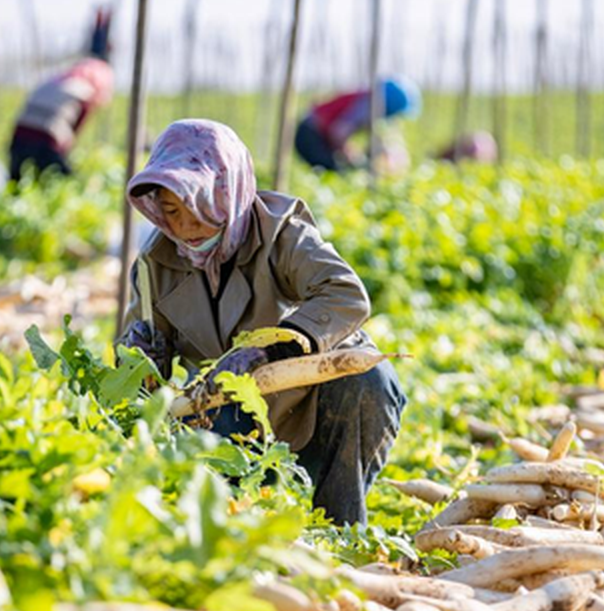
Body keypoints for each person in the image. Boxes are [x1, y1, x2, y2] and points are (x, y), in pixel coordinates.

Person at [117, 119, 406, 525]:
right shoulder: (155, 265)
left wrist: (271, 349)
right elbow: (137, 378)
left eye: (198, 207)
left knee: (368, 381)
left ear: (226, 192)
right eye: (171, 211)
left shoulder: (281, 233)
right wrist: (139, 359)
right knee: (219, 518)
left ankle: (341, 528)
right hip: (223, 413)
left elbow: (346, 294)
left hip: (308, 406)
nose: (185, 226)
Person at [8, 9, 114, 181]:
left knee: (18, 181)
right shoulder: (85, 88)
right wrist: (66, 150)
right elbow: (75, 128)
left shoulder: (64, 80)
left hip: (20, 135)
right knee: (64, 180)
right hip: (46, 140)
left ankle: (103, 18)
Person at [294, 76, 421, 173]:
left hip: (315, 133)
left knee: (338, 170)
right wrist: (353, 156)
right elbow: (338, 133)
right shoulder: (365, 105)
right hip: (310, 134)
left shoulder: (366, 101)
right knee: (333, 172)